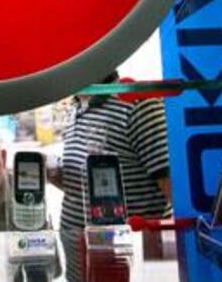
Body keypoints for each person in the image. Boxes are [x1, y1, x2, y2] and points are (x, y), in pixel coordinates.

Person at [50, 71, 172, 282]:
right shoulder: (76, 107)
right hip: (83, 266)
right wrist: (58, 176)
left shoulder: (137, 105)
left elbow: (175, 191)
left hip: (128, 268)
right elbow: (92, 188)